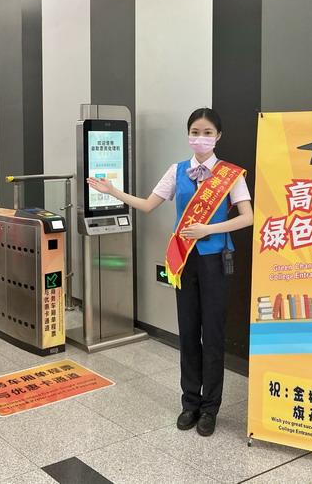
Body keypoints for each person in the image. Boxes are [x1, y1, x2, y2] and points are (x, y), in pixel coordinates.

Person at [87, 107, 253, 436]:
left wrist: (208, 229)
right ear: (188, 134)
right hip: (184, 260)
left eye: (207, 132)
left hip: (215, 260)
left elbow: (248, 217)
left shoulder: (230, 175)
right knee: (188, 332)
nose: (201, 138)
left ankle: (210, 408)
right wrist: (113, 192)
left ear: (218, 136)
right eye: (195, 131)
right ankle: (190, 403)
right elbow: (148, 205)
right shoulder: (177, 171)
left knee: (213, 335)